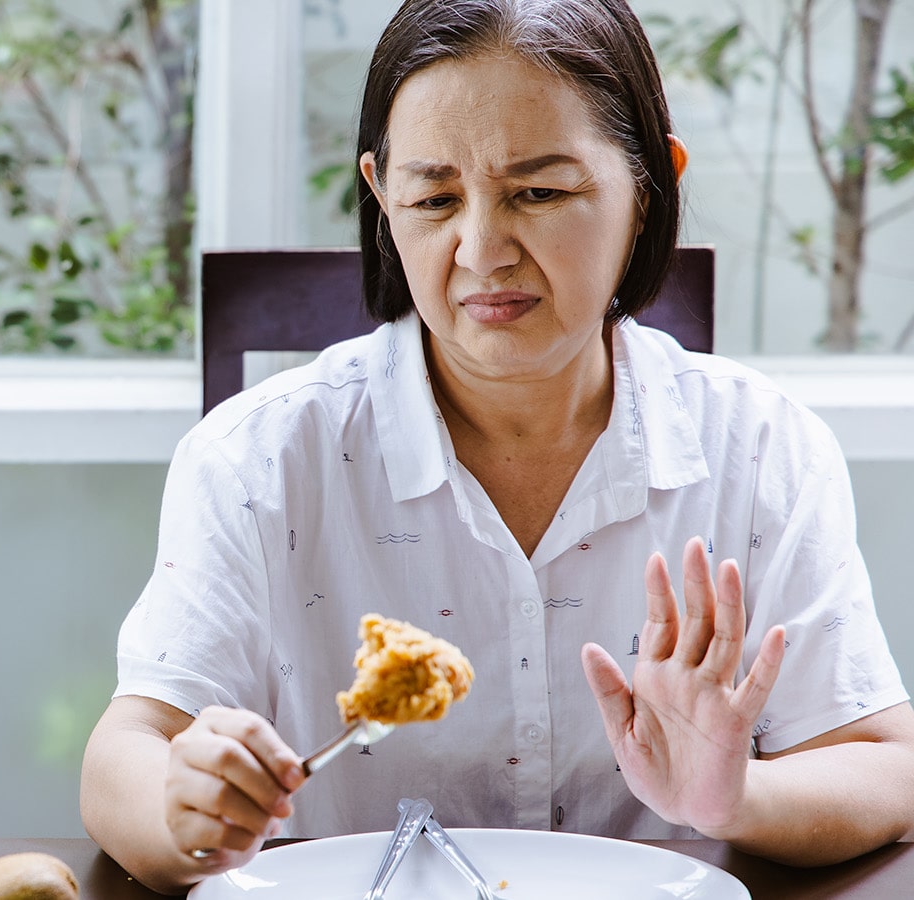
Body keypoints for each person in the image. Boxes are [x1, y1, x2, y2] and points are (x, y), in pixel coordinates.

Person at [78, 0, 914, 894]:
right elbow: (123, 757)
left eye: (540, 192)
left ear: (652, 187)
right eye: (434, 199)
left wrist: (736, 797)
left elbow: (882, 764)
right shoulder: (258, 459)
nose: (482, 251)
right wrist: (183, 803)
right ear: (380, 195)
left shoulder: (761, 451)